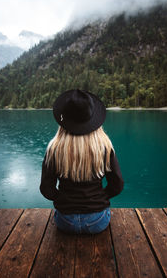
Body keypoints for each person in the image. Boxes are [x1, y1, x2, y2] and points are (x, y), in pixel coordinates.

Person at [40, 89, 124, 234]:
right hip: (97, 221)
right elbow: (117, 185)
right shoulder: (105, 148)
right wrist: (100, 197)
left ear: (64, 121)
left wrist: (62, 199)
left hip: (65, 221)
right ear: (93, 120)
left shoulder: (54, 149)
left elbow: (46, 189)